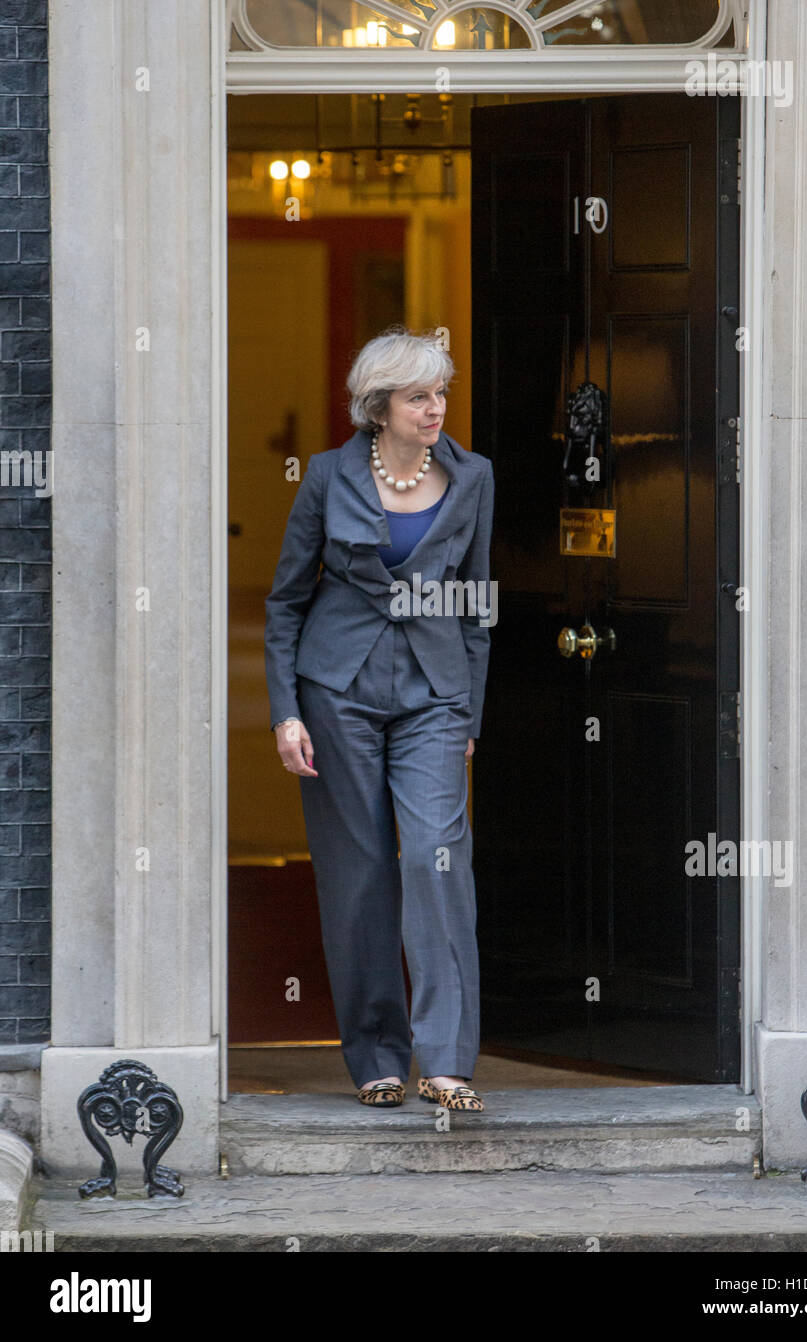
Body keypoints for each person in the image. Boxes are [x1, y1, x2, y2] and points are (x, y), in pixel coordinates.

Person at [265, 327, 495, 1111]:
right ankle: (375, 1055)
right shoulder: (328, 476)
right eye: (417, 397)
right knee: (358, 871)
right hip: (338, 690)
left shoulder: (473, 477)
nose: (435, 410)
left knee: (436, 854)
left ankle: (446, 1060)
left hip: (434, 693)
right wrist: (285, 712)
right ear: (378, 407)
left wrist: (469, 708)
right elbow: (287, 599)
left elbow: (475, 603)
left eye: (440, 395)